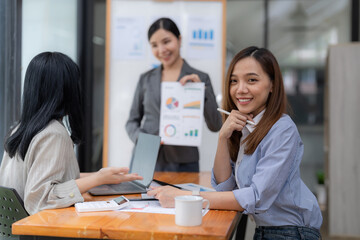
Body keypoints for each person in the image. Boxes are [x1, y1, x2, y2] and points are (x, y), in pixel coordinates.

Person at [148, 46, 323, 239]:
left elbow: (256, 197)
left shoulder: (282, 129)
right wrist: (223, 137)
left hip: (293, 232)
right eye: (234, 81)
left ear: (272, 85)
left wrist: (184, 198)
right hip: (268, 231)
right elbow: (226, 187)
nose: (240, 89)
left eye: (252, 80)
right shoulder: (245, 126)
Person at [0, 52, 143, 215]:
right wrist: (98, 179)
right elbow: (40, 198)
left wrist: (101, 176)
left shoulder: (20, 129)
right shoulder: (53, 133)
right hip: (36, 231)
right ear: (66, 91)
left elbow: (47, 178)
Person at [126, 17, 222, 172]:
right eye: (154, 45)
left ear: (179, 40)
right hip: (146, 158)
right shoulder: (146, 79)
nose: (162, 50)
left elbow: (216, 124)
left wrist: (200, 91)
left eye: (166, 41)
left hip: (183, 162)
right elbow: (131, 121)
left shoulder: (200, 78)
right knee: (140, 197)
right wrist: (144, 140)